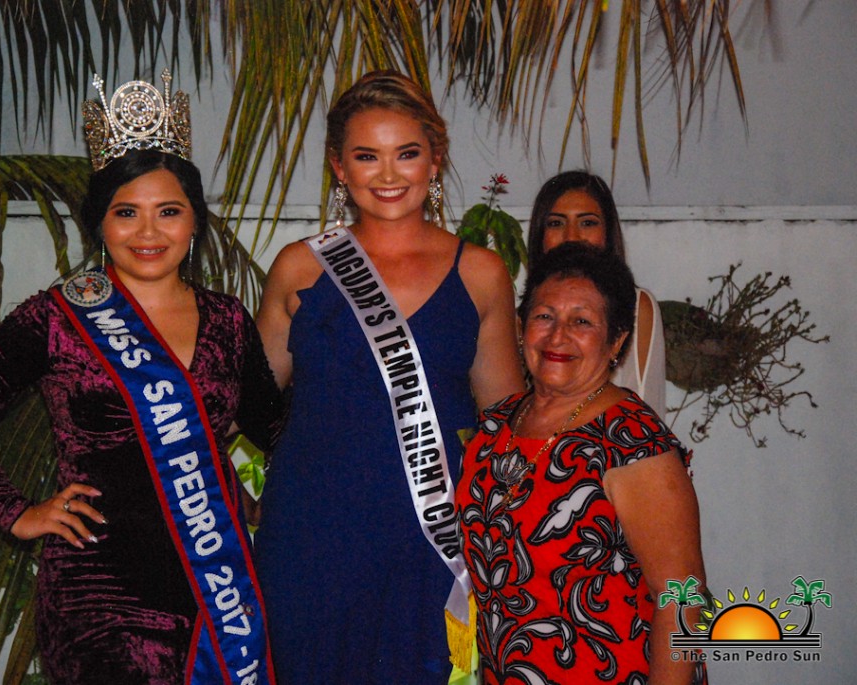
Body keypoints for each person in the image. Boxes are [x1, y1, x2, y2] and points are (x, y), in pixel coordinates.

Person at [0, 73, 283, 684]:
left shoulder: (227, 320)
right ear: (100, 223)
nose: (148, 233)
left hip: (213, 587)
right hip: (99, 596)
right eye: (126, 213)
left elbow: (275, 430)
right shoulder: (55, 317)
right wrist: (17, 512)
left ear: (194, 221)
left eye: (168, 212)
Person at [252, 70, 524, 684]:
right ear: (338, 167)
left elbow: (504, 424)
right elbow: (246, 404)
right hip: (312, 531)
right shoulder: (299, 267)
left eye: (406, 153)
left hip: (431, 536)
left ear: (435, 158)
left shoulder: (481, 272)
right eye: (366, 156)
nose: (388, 174)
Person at [457, 242, 707, 684]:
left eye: (582, 321)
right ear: (521, 328)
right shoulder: (495, 426)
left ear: (616, 342)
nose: (558, 337)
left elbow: (683, 599)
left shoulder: (632, 441)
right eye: (544, 316)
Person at [526, 170, 667, 416]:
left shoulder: (637, 305)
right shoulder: (525, 309)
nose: (571, 236)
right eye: (556, 223)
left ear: (608, 232)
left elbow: (646, 407)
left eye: (587, 223)